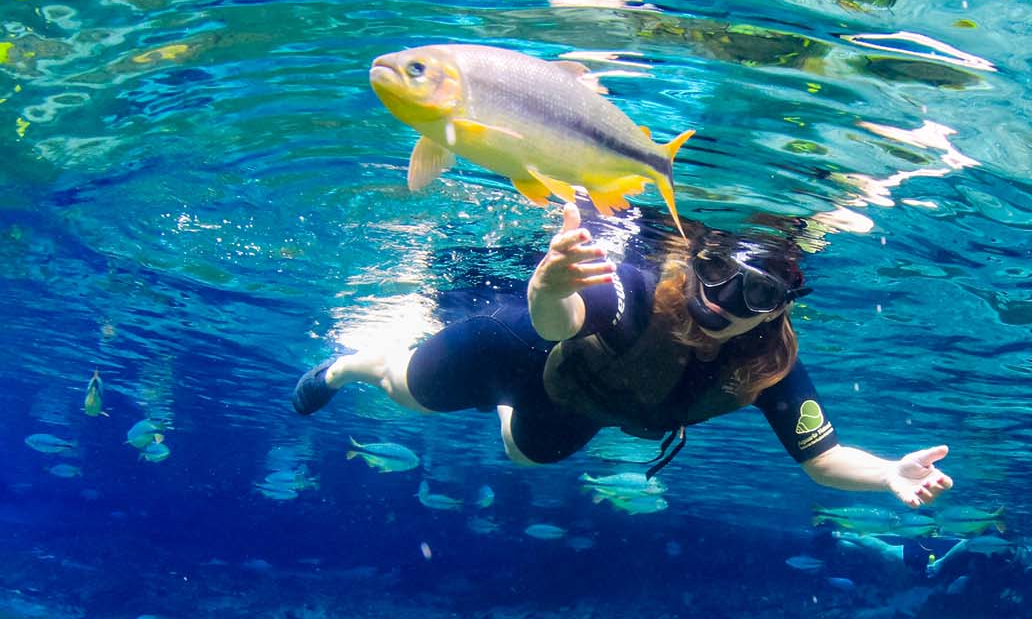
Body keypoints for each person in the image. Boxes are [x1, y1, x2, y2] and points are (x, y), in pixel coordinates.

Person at [292, 203, 953, 507]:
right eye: (713, 269)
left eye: (755, 292)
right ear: (692, 257)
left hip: (580, 403)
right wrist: (549, 287)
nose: (723, 299)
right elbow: (565, 320)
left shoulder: (768, 361)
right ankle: (345, 364)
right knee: (404, 387)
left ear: (780, 305)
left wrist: (889, 474)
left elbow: (824, 458)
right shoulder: (642, 291)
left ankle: (503, 411)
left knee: (524, 455)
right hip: (516, 344)